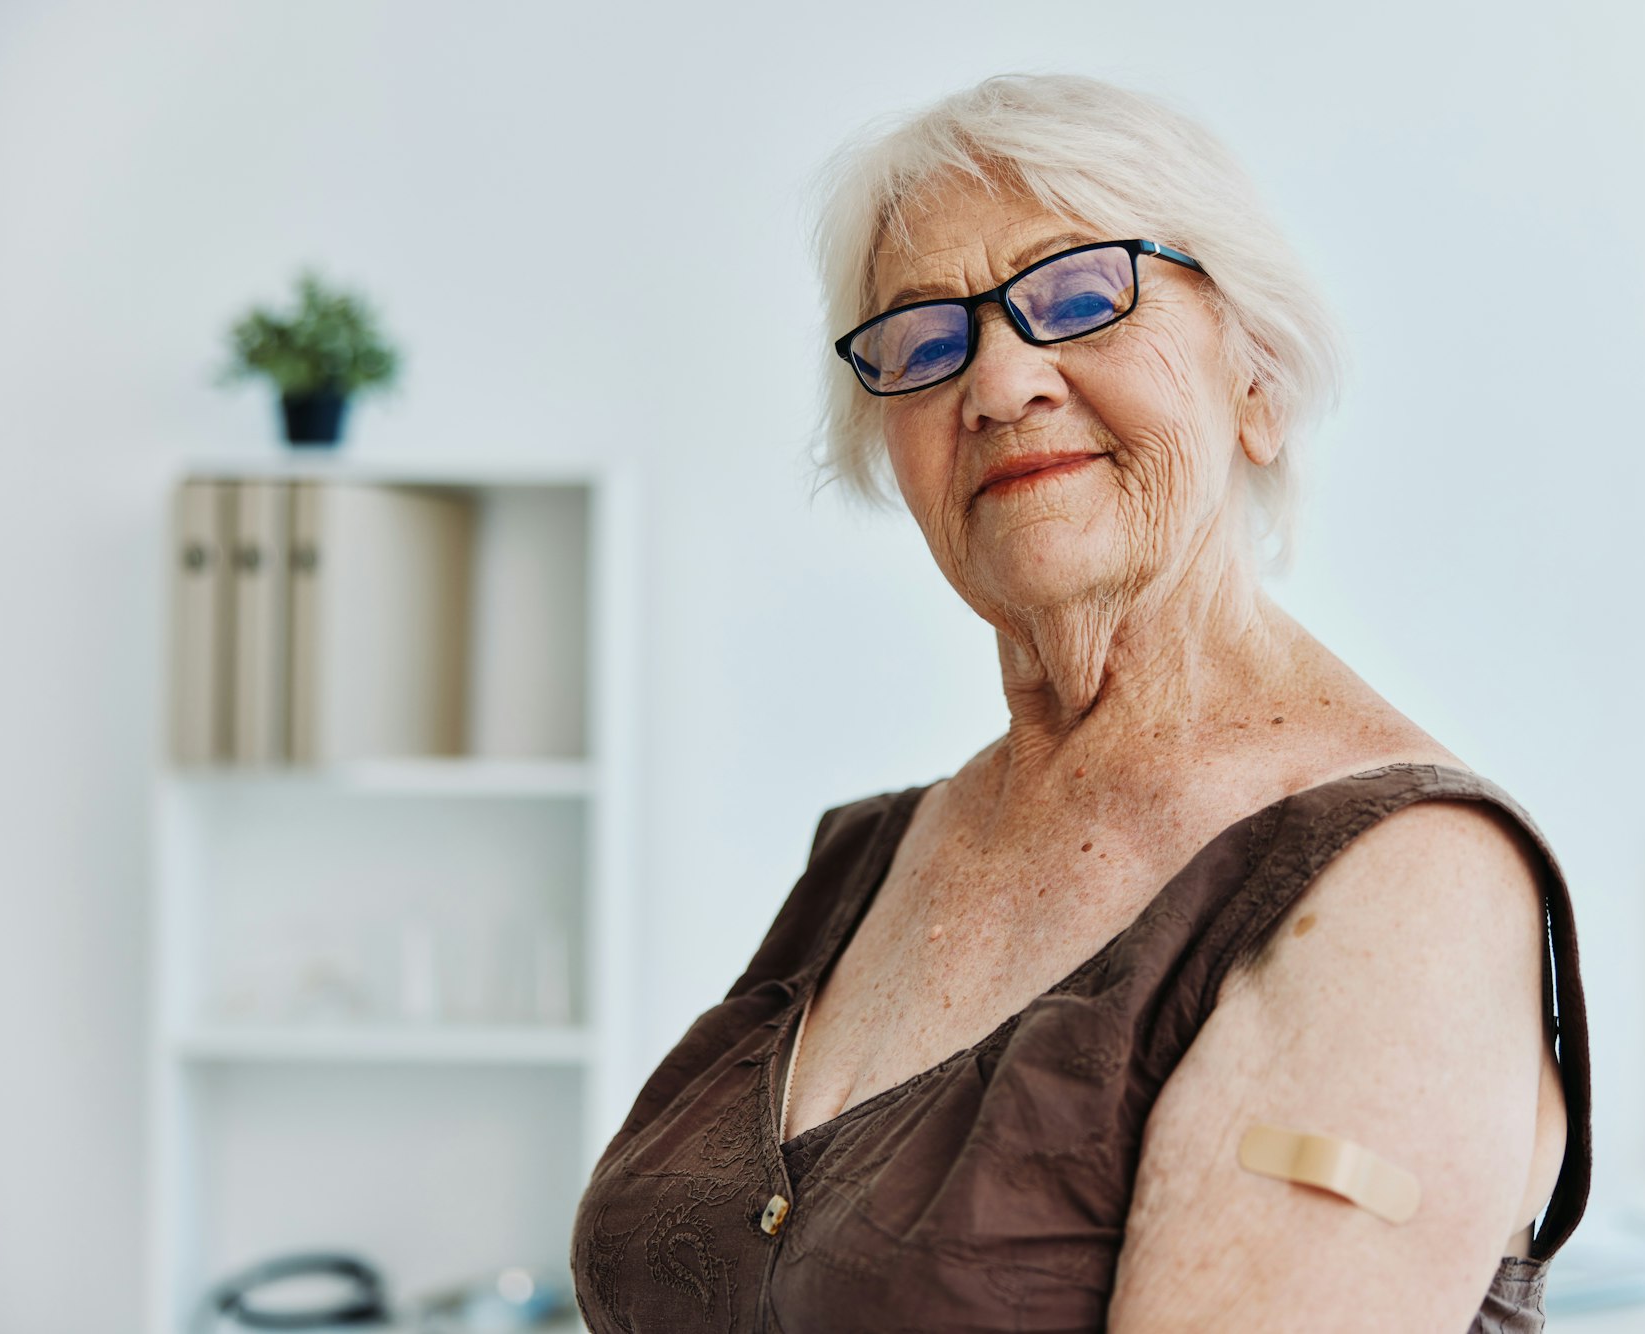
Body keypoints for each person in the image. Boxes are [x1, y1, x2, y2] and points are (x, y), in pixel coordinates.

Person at [571, 71, 1591, 1333]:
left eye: (1080, 292)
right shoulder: (867, 855)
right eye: (924, 339)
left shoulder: (1397, 882)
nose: (997, 383)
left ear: (1256, 383)